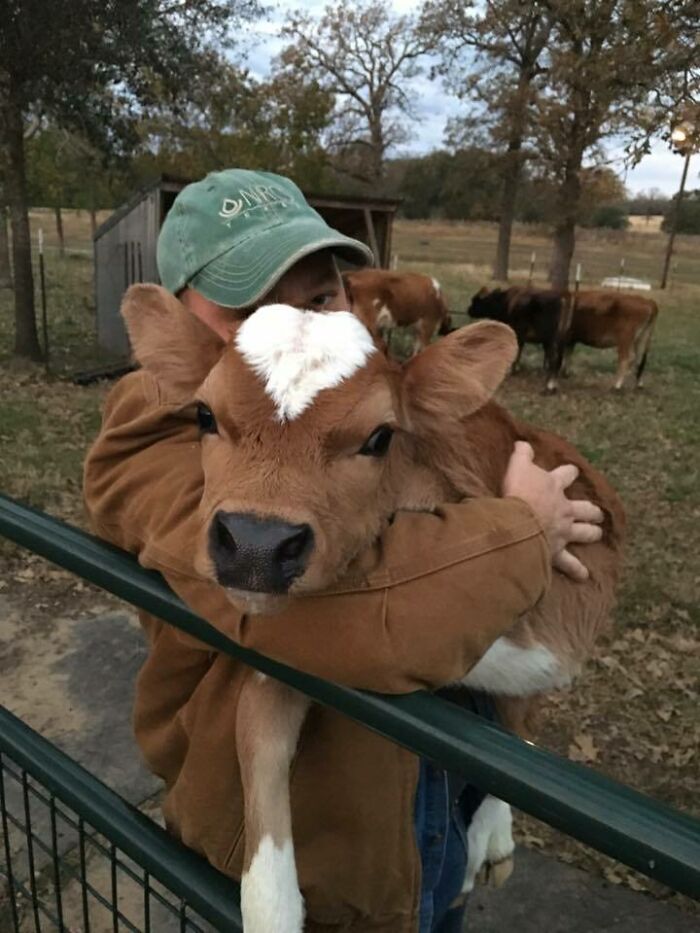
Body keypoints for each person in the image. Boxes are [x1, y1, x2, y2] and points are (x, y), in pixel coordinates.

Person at [83, 169, 603, 933]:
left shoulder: (364, 402)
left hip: (419, 805)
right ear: (181, 324)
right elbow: (353, 609)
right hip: (298, 845)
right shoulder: (149, 437)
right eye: (248, 305)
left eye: (321, 296)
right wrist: (524, 528)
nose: (291, 327)